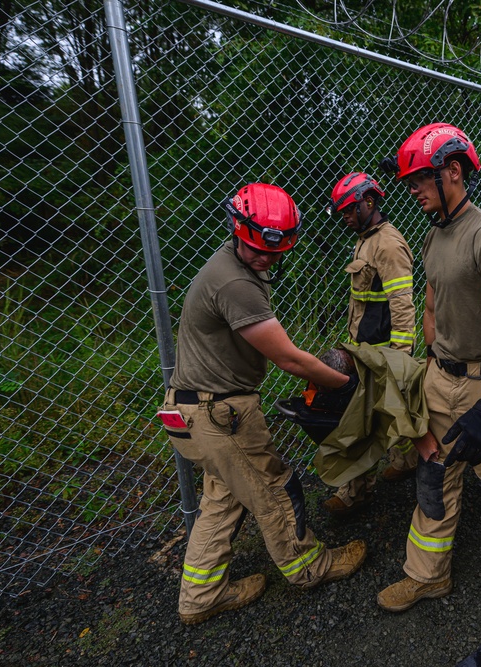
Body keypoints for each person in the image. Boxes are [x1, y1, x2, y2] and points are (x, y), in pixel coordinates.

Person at [159, 183, 366, 626]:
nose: (267, 258)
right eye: (258, 249)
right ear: (238, 229)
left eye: (275, 252)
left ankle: (200, 596)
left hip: (190, 409)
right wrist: (346, 384)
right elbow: (289, 357)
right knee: (273, 489)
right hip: (219, 415)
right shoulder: (236, 282)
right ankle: (310, 567)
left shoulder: (230, 265)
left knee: (225, 498)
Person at [375, 122, 481, 612]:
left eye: (419, 181)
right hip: (439, 377)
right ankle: (427, 575)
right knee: (433, 476)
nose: (411, 191)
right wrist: (427, 369)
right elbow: (431, 309)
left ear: (452, 171)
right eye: (409, 182)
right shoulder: (433, 238)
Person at [323, 172, 418, 516]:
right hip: (363, 350)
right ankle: (407, 459)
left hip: (383, 354)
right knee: (391, 414)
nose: (345, 217)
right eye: (343, 212)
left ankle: (355, 492)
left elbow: (402, 304)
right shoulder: (365, 239)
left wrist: (400, 358)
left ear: (369, 201)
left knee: (360, 421)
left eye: (349, 210)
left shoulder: (388, 245)